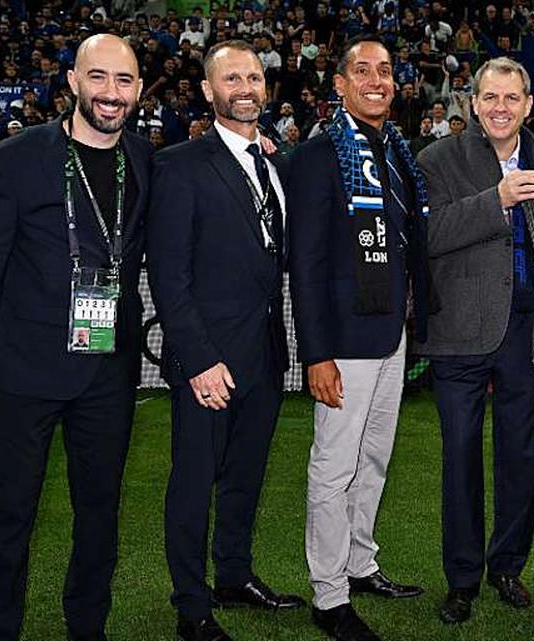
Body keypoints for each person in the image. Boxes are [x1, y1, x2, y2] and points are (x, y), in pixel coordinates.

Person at [0, 34, 152, 641]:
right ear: (73, 82)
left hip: (108, 373)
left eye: (124, 81)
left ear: (138, 90)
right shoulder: (14, 158)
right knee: (8, 516)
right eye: (99, 78)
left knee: (99, 516)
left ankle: (88, 627)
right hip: (21, 372)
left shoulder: (143, 159)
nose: (111, 93)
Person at [147, 40, 305, 641]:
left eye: (254, 78)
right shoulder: (180, 164)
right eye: (231, 79)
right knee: (193, 483)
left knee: (245, 477)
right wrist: (198, 358)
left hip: (264, 356)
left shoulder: (274, 162)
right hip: (206, 363)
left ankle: (234, 576)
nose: (246, 88)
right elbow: (170, 274)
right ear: (209, 91)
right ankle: (192, 605)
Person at [287, 35, 428, 641]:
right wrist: (316, 352)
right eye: (363, 71)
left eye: (386, 71)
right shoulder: (319, 156)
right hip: (343, 340)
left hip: (391, 331)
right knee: (333, 467)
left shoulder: (396, 148)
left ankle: (360, 563)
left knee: (373, 459)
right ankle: (328, 595)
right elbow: (307, 262)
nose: (378, 80)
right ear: (339, 85)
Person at [415, 57, 534, 625]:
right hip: (459, 336)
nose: (501, 108)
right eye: (490, 97)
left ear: (529, 105)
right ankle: (461, 578)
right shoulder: (437, 159)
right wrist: (496, 200)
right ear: (473, 103)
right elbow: (425, 237)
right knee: (460, 459)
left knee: (522, 458)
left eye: (512, 98)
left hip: (528, 334)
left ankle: (507, 566)